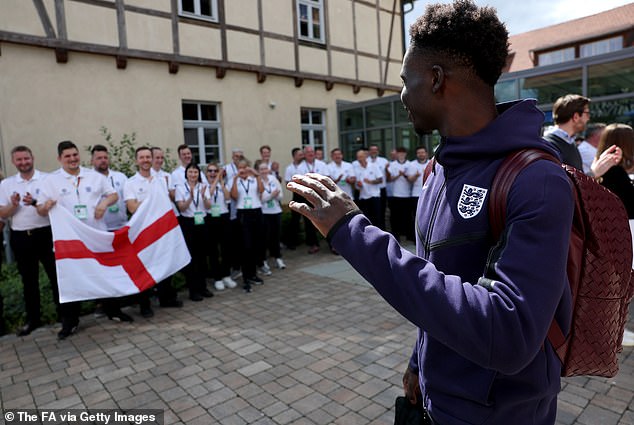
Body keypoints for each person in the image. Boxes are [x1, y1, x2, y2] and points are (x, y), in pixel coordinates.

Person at [287, 1, 574, 424]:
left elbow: (508, 334)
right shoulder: (439, 168)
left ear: (436, 79)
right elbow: (440, 279)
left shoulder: (537, 179)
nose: (402, 94)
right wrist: (420, 362)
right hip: (437, 402)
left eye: (406, 81)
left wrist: (352, 230)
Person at [37, 141, 119, 339]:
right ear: (59, 159)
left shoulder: (94, 176)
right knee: (70, 280)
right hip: (69, 240)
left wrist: (104, 203)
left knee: (104, 273)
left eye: (75, 155)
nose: (72, 159)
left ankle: (113, 310)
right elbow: (40, 210)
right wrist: (46, 206)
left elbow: (114, 195)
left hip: (95, 236)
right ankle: (70, 321)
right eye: (67, 156)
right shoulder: (50, 181)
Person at [0, 146, 59, 336]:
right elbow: (2, 213)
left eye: (26, 158)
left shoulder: (48, 179)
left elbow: (56, 205)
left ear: (32, 158)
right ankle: (33, 320)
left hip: (46, 233)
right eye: (19, 160)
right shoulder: (6, 184)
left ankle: (63, 315)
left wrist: (35, 203)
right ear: (13, 162)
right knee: (29, 281)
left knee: (56, 276)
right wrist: (13, 205)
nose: (23, 163)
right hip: (20, 236)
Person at [124, 147, 183, 317]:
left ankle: (166, 298)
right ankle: (145, 304)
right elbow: (132, 207)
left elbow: (164, 204)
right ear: (136, 161)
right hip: (142, 231)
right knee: (144, 267)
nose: (145, 160)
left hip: (161, 229)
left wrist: (146, 203)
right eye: (141, 157)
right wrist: (151, 202)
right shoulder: (130, 183)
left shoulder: (161, 180)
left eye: (148, 157)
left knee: (165, 263)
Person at [591, 123, 634, 346]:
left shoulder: (602, 169)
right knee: (622, 287)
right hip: (623, 237)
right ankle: (616, 330)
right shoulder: (614, 172)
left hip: (612, 236)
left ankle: (616, 329)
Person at [90, 145, 134, 323]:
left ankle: (125, 300)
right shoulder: (89, 179)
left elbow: (128, 199)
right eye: (99, 158)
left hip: (121, 228)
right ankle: (106, 305)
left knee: (123, 266)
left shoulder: (121, 177)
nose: (102, 160)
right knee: (105, 270)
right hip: (100, 230)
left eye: (105, 157)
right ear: (92, 160)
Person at [175, 163, 214, 301]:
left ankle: (203, 287)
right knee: (192, 258)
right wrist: (191, 197)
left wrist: (203, 196)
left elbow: (209, 206)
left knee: (202, 256)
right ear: (186, 174)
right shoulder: (180, 188)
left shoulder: (203, 186)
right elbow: (182, 208)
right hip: (188, 223)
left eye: (195, 172)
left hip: (201, 222)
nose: (193, 175)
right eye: (190, 172)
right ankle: (193, 290)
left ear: (199, 174)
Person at [230, 158, 265, 292]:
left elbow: (261, 190)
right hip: (243, 213)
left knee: (256, 245)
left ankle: (253, 274)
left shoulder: (254, 178)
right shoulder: (235, 180)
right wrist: (234, 179)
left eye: (245, 167)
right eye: (240, 167)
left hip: (256, 211)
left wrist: (256, 175)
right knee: (246, 246)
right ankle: (246, 278)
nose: (243, 170)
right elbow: (234, 196)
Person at [204, 163, 238, 291]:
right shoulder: (204, 186)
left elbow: (228, 197)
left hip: (223, 217)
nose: (213, 173)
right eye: (210, 171)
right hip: (211, 218)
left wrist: (222, 182)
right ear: (206, 173)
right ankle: (217, 278)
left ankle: (226, 275)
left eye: (215, 171)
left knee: (226, 248)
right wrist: (217, 178)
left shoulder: (223, 184)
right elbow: (210, 194)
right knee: (213, 250)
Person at [544, 94, 591, 170]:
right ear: (576, 117)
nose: (588, 118)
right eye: (587, 113)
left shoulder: (570, 142)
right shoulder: (549, 145)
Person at [297, 146, 327, 254]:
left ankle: (333, 244)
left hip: (321, 196)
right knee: (309, 221)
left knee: (327, 219)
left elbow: (327, 177)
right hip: (307, 197)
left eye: (312, 152)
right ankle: (313, 244)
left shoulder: (322, 164)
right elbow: (299, 181)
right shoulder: (300, 167)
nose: (310, 153)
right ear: (304, 154)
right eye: (308, 152)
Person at [258, 162, 286, 272]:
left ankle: (278, 258)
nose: (264, 171)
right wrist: (271, 196)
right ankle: (263, 260)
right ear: (258, 170)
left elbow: (281, 195)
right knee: (264, 238)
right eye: (261, 169)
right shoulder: (257, 181)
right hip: (264, 213)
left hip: (276, 211)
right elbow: (260, 199)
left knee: (276, 236)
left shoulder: (273, 179)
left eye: (265, 168)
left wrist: (274, 196)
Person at [386, 147, 413, 241]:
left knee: (407, 216)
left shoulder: (410, 164)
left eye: (403, 153)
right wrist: (399, 175)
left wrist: (404, 175)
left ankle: (408, 235)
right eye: (399, 153)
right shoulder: (392, 165)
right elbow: (389, 179)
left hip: (407, 194)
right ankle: (396, 236)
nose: (401, 155)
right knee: (395, 217)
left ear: (405, 154)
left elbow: (412, 180)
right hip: (395, 194)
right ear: (397, 154)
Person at [353, 148, 382, 226]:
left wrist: (371, 182)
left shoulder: (374, 166)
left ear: (366, 156)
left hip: (375, 196)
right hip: (363, 197)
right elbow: (356, 186)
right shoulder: (356, 169)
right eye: (358, 157)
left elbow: (380, 180)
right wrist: (358, 185)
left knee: (376, 218)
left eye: (361, 156)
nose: (359, 159)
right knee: (366, 218)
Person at [283, 147, 304, 250]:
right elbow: (287, 182)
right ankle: (292, 242)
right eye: (300, 155)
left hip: (306, 194)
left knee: (309, 219)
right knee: (294, 219)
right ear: (294, 156)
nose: (302, 156)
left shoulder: (306, 166)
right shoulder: (289, 168)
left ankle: (311, 242)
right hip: (296, 194)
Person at [368, 144, 389, 230]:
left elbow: (388, 175)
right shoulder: (366, 161)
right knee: (371, 211)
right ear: (369, 152)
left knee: (382, 210)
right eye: (372, 150)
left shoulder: (384, 161)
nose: (374, 151)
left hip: (381, 188)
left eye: (375, 150)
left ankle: (382, 229)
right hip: (369, 190)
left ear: (378, 151)